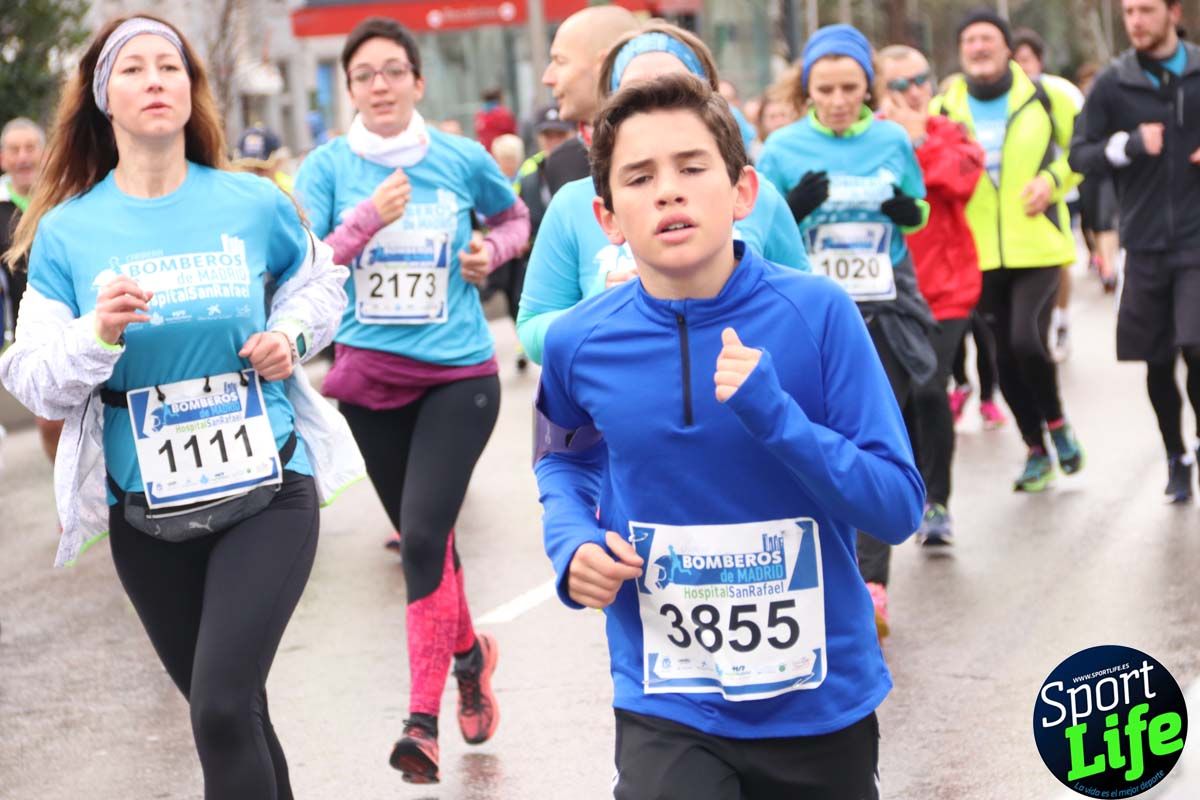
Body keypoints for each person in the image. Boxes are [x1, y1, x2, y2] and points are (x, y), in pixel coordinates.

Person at [535, 73, 922, 800]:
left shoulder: (819, 315)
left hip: (819, 700)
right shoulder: (578, 343)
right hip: (666, 697)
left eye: (691, 168)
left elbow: (897, 505)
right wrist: (570, 542)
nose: (669, 192)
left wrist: (779, 418)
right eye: (640, 177)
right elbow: (563, 459)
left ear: (742, 192)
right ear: (608, 215)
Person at [0, 15, 356, 799]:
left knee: (222, 708)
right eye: (134, 69)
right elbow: (32, 376)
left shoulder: (253, 202)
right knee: (231, 711)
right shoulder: (66, 232)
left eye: (171, 67)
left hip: (268, 487)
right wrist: (96, 334)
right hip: (148, 511)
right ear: (103, 100)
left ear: (192, 94)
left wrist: (289, 337)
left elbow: (325, 289)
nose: (156, 80)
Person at [293, 17, 530, 783]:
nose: (382, 85)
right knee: (430, 543)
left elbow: (516, 218)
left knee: (424, 539)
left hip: (460, 377)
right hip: (369, 382)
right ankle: (469, 655)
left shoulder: (462, 158)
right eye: (366, 75)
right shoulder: (328, 169)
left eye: (395, 71)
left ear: (418, 83)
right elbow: (302, 266)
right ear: (350, 90)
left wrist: (489, 252)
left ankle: (421, 722)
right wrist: (367, 221)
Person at [758, 24, 937, 636]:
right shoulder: (780, 147)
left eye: (849, 88)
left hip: (883, 308)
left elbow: (919, 208)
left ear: (869, 87)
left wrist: (907, 212)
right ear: (807, 88)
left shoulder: (890, 139)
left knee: (868, 443)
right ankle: (822, 572)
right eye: (825, 88)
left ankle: (872, 584)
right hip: (810, 315)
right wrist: (793, 208)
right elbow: (757, 226)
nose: (837, 100)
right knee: (808, 438)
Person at [518, 21, 809, 366]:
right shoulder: (573, 205)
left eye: (678, 89)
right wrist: (601, 304)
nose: (656, 106)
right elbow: (534, 331)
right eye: (635, 93)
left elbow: (802, 308)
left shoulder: (757, 195)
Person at [933, 8, 1085, 493]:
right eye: (970, 41)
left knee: (1025, 341)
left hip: (1037, 246)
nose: (979, 48)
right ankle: (1036, 449)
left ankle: (1057, 424)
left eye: (987, 39)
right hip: (975, 255)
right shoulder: (943, 107)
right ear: (961, 53)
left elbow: (1085, 148)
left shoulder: (1048, 94)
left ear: (1006, 48)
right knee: (1002, 359)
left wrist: (1052, 181)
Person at [1069, 0, 1200, 503]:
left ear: (1173, 11)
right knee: (1158, 360)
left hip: (1195, 241)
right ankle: (1176, 455)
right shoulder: (1113, 83)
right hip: (1144, 243)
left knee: (1196, 345)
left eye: (1146, 10)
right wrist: (1127, 144)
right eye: (1127, 12)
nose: (1136, 22)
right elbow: (1081, 154)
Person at [877, 44, 986, 547]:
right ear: (880, 91)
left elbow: (961, 180)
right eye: (900, 85)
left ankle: (938, 502)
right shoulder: (865, 141)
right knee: (895, 403)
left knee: (928, 387)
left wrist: (916, 139)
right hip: (885, 291)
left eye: (922, 79)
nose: (916, 91)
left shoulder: (948, 132)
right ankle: (910, 492)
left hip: (947, 290)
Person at [1012, 27, 1087, 362]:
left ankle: (1060, 318)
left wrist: (1054, 180)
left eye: (1025, 60)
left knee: (1059, 263)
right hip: (1011, 204)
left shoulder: (1056, 93)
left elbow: (1080, 144)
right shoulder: (999, 100)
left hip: (1057, 194)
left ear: (1039, 61)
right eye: (1013, 60)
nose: (1019, 68)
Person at [1, 118, 66, 463]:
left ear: (45, 154)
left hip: (75, 318)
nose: (23, 157)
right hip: (29, 331)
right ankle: (62, 483)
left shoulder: (65, 198)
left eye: (30, 148)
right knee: (49, 421)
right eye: (15, 149)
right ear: (3, 158)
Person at [540, 4, 640, 193]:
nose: (547, 78)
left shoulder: (677, 143)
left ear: (605, 64)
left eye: (560, 61)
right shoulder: (561, 162)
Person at [1073, 61, 1121, 294]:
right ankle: (1099, 257)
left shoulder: (1114, 106)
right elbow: (1076, 151)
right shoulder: (1079, 109)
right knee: (1090, 221)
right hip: (1086, 175)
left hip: (1109, 174)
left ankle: (1109, 268)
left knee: (1106, 221)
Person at [232, 124, 294, 193]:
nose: (253, 175)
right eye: (247, 168)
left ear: (278, 162)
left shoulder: (289, 189)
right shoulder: (233, 189)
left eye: (260, 169)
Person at [473, 86, 517, 153]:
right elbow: (512, 134)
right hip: (502, 153)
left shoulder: (479, 115)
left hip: (485, 152)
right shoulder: (503, 114)